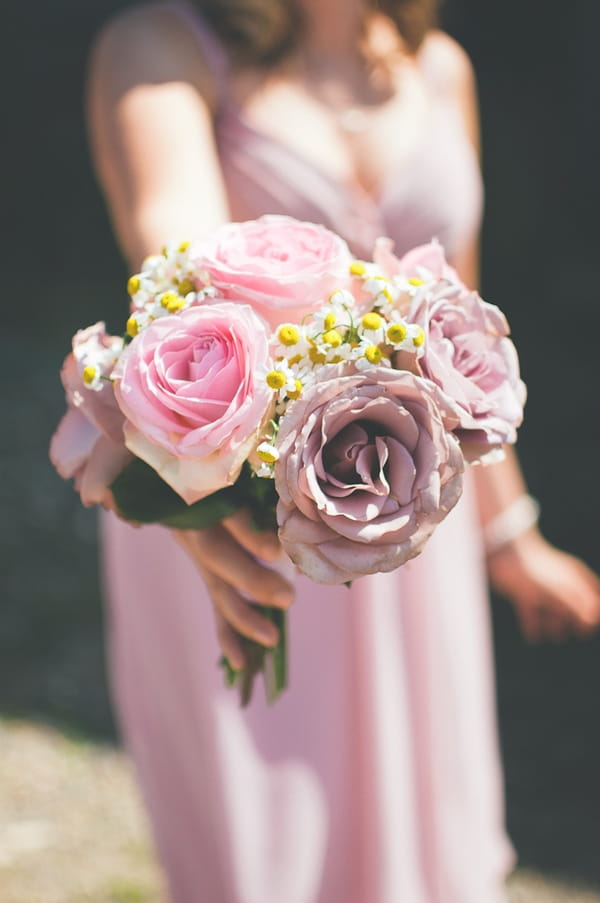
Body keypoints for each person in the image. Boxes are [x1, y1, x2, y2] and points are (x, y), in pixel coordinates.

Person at [87, 1, 600, 900]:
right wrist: (201, 501)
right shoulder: (164, 49)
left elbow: (465, 326)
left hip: (403, 507)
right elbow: (175, 261)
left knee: (423, 834)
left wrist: (509, 531)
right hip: (236, 509)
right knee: (272, 846)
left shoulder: (437, 66)